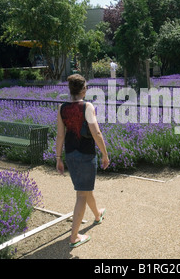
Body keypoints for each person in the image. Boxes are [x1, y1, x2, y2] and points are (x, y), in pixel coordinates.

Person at [56, 74, 110, 248]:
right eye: (86, 87)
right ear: (82, 89)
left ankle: (97, 214)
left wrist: (58, 158)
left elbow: (60, 135)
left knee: (85, 188)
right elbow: (96, 133)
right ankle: (74, 237)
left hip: (70, 155)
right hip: (86, 155)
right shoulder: (87, 106)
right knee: (81, 194)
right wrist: (105, 154)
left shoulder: (62, 108)